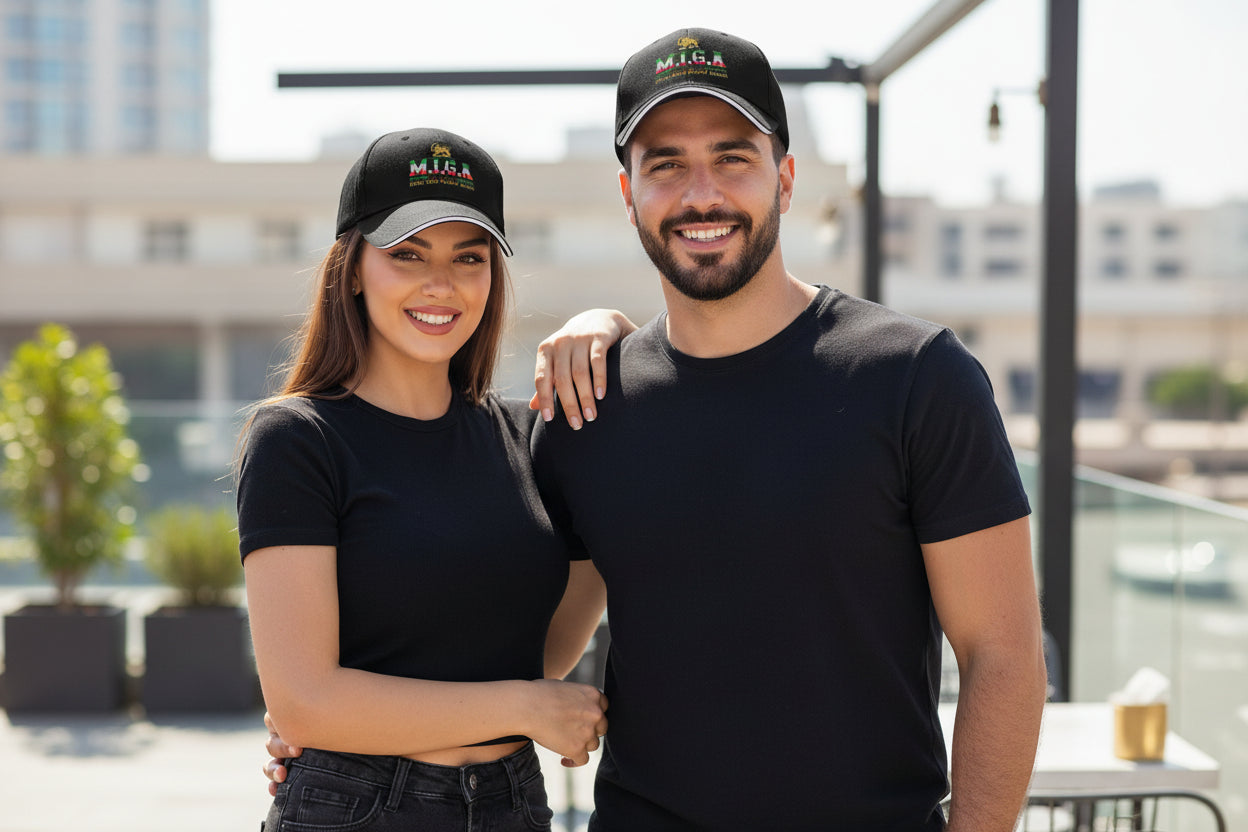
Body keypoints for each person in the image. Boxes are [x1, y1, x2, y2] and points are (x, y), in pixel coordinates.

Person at [268, 29, 1048, 831]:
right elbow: (527, 647)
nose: (700, 194)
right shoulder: (587, 408)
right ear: (628, 192)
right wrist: (334, 732)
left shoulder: (916, 376)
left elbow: (1004, 656)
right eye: (665, 164)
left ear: (783, 176)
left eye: (732, 158)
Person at [237, 127, 621, 831]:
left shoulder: (527, 436)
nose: (439, 284)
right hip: (359, 807)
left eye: (467, 257)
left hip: (512, 803)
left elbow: (538, 648)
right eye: (406, 254)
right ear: (352, 268)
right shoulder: (299, 438)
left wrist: (609, 325)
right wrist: (525, 707)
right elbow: (303, 703)